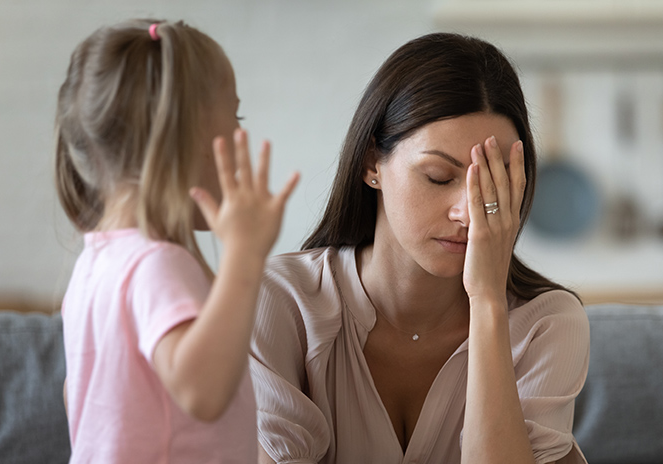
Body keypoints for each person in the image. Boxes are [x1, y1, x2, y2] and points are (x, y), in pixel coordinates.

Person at [250, 32, 589, 464]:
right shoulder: (279, 301)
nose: (469, 212)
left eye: (493, 181)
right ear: (373, 162)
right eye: (438, 176)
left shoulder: (548, 322)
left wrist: (487, 303)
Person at [55, 19, 298, 463]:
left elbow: (78, 395)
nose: (242, 133)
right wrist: (244, 255)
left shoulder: (95, 264)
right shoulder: (158, 264)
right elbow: (202, 392)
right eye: (235, 114)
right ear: (185, 136)